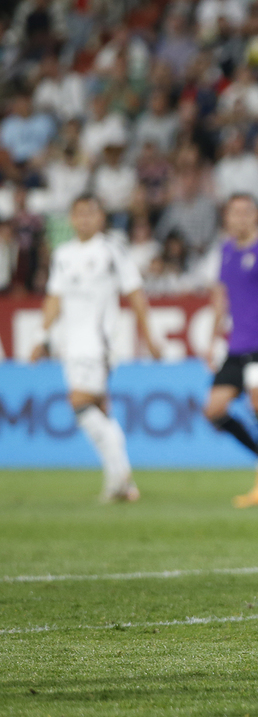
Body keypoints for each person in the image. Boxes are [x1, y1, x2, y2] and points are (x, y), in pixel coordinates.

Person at [32, 194, 162, 501]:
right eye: (79, 214)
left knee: (80, 403)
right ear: (71, 218)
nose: (85, 219)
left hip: (96, 341)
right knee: (101, 409)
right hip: (70, 342)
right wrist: (41, 336)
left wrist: (150, 336)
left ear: (101, 217)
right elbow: (54, 298)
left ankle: (119, 478)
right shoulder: (63, 254)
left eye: (91, 213)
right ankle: (122, 483)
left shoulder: (111, 250)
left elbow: (135, 293)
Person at [203, 194, 258, 509]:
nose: (239, 218)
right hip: (235, 346)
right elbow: (221, 296)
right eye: (234, 212)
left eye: (246, 212)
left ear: (256, 216)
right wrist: (213, 338)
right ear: (226, 217)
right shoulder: (226, 249)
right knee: (213, 410)